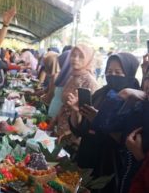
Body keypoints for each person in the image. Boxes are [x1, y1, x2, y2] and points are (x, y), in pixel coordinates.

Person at [67, 52, 140, 193]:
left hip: (108, 166)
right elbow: (80, 130)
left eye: (118, 72)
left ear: (130, 72)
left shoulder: (134, 100)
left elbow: (125, 142)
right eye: (109, 71)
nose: (112, 75)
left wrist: (100, 121)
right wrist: (76, 111)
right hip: (86, 158)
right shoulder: (101, 93)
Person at [52, 44, 99, 149]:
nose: (75, 59)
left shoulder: (90, 82)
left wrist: (70, 131)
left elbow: (88, 115)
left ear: (88, 59)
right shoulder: (72, 76)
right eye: (73, 55)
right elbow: (65, 104)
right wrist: (55, 119)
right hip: (61, 128)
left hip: (73, 134)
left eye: (81, 56)